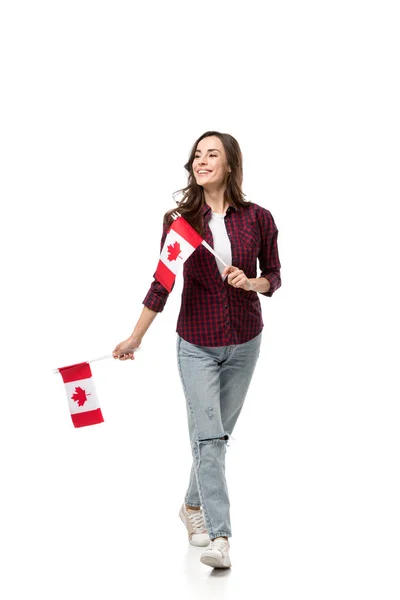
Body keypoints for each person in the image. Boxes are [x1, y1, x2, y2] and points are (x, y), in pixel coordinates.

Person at [112, 131, 281, 569]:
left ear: (229, 166)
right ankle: (220, 537)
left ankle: (190, 504)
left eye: (212, 155)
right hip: (197, 345)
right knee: (208, 439)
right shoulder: (180, 221)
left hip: (246, 342)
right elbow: (162, 281)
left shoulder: (258, 218)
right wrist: (136, 337)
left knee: (217, 440)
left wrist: (253, 282)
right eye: (197, 155)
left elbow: (274, 277)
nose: (202, 161)